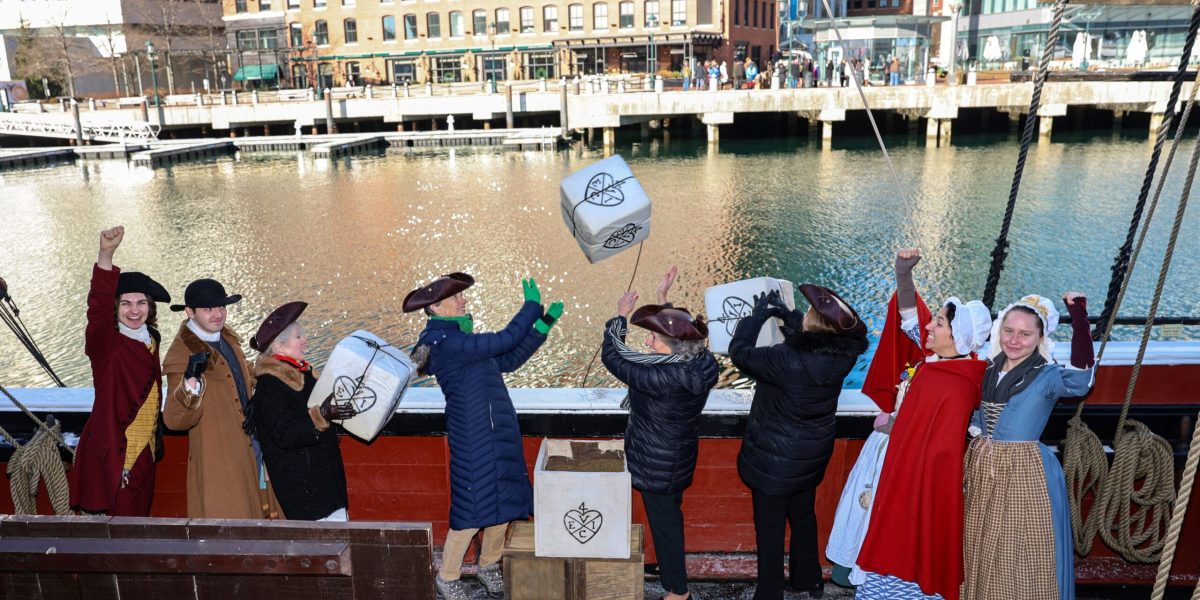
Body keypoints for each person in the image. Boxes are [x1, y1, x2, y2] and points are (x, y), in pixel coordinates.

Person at [406, 273, 562, 600]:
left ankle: (488, 565)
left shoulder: (462, 338)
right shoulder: (445, 343)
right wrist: (531, 307)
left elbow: (508, 357)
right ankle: (447, 578)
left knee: (503, 504)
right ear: (436, 306)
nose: (464, 300)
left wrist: (541, 327)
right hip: (473, 437)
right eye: (457, 297)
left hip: (497, 432)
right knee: (471, 509)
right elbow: (504, 339)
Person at [852, 248, 993, 600]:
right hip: (905, 477)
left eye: (940, 323)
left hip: (915, 487)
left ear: (956, 336)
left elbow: (939, 448)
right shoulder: (944, 365)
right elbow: (910, 318)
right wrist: (903, 275)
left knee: (900, 550)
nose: (930, 324)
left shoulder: (950, 380)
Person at [730, 285, 869, 600]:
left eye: (808, 314)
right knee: (803, 514)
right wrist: (785, 313)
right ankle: (808, 579)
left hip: (775, 460)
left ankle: (769, 593)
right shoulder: (842, 354)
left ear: (814, 324)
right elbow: (811, 341)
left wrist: (754, 318)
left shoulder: (784, 358)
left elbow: (741, 353)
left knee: (770, 528)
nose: (804, 315)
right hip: (811, 455)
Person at [961, 293, 1095, 600]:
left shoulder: (1046, 374)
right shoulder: (990, 369)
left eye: (1025, 334)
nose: (1014, 340)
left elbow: (1081, 382)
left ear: (1039, 337)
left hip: (1025, 472)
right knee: (980, 542)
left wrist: (1079, 315)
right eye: (1009, 331)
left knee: (1018, 547)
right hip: (986, 468)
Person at [601, 267, 719, 600]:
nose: (648, 342)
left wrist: (620, 316)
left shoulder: (660, 378)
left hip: (657, 463)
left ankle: (678, 592)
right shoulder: (700, 363)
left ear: (669, 349)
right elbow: (686, 335)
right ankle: (669, 569)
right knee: (669, 519)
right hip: (676, 456)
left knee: (666, 525)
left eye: (653, 338)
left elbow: (614, 357)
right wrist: (662, 300)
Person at [162, 278, 283, 519]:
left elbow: (246, 374)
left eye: (221, 307)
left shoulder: (225, 337)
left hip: (252, 449)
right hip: (220, 459)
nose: (217, 314)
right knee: (232, 523)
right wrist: (190, 381)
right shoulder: (181, 353)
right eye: (208, 309)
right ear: (190, 312)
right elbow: (174, 420)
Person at [71, 226, 171, 516]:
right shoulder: (105, 344)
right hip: (115, 459)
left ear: (150, 308)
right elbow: (97, 308)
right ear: (115, 309)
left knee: (140, 529)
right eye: (125, 303)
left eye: (141, 303)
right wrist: (106, 254)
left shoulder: (151, 339)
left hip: (145, 455)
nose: (134, 310)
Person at [250, 301, 358, 522]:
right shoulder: (270, 384)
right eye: (298, 337)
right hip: (303, 486)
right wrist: (323, 415)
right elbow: (285, 434)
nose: (304, 341)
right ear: (279, 346)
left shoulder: (303, 373)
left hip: (324, 480)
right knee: (321, 545)